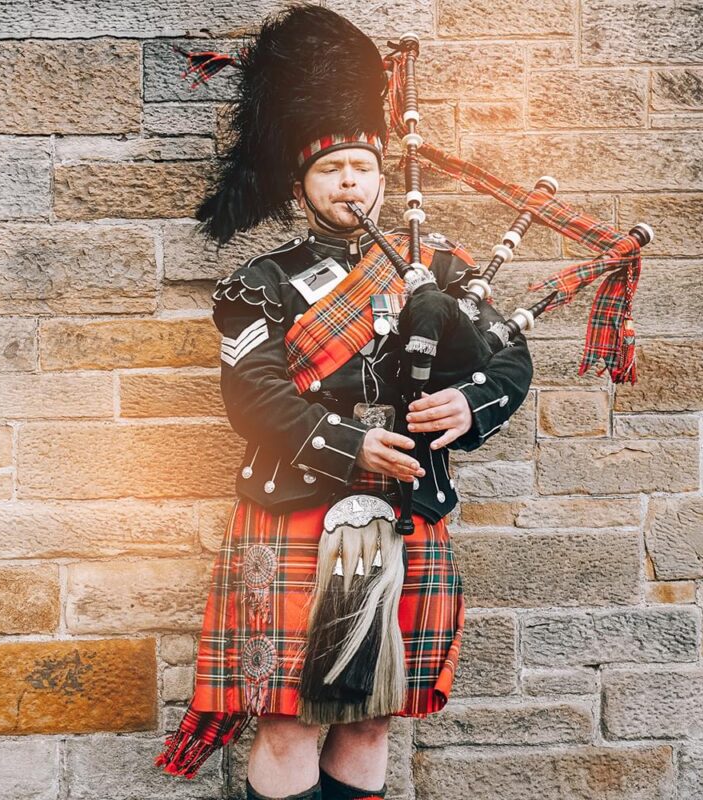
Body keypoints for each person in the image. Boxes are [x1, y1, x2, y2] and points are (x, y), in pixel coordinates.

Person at [153, 6, 533, 800]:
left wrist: (470, 405)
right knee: (289, 717)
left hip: (405, 511)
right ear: (302, 187)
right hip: (294, 506)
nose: (350, 181)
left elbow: (509, 362)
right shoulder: (260, 282)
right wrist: (350, 446)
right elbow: (251, 398)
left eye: (362, 165)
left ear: (384, 176)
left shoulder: (443, 268)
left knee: (370, 715)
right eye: (331, 170)